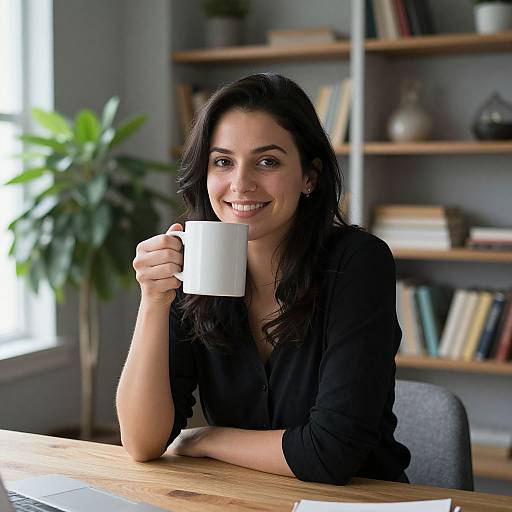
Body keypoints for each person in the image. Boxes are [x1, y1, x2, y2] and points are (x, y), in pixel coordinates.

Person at [116, 72, 411, 485]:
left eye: (267, 161)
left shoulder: (357, 262)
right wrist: (153, 301)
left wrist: (205, 439)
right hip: (246, 499)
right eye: (223, 161)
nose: (241, 183)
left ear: (309, 176)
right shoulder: (192, 260)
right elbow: (143, 443)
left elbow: (332, 453)